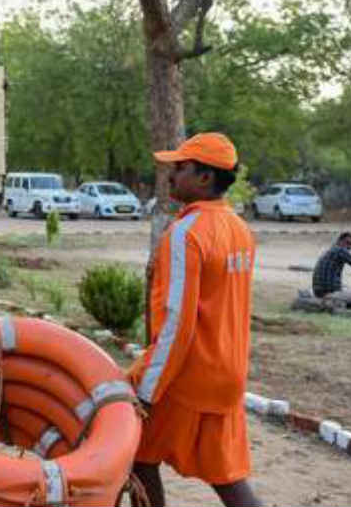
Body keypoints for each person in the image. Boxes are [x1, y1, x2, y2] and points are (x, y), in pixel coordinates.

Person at [129, 132, 262, 507]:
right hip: (227, 374)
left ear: (205, 177)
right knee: (229, 481)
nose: (170, 175)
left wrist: (146, 391)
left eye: (180, 168)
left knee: (136, 455)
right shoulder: (239, 230)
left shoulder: (186, 234)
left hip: (187, 378)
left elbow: (177, 322)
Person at [312, 232, 351, 302]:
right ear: (339, 241)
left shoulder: (330, 250)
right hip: (329, 292)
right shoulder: (341, 251)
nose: (349, 247)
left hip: (317, 291)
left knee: (347, 288)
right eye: (347, 243)